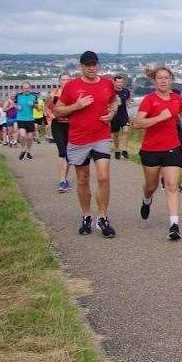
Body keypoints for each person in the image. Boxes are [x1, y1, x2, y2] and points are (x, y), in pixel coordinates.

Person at [58, 51, 119, 238]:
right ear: (81, 66)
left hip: (101, 136)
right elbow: (58, 110)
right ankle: (86, 216)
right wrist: (76, 106)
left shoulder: (107, 83)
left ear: (98, 65)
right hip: (79, 139)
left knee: (103, 177)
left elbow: (114, 100)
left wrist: (112, 113)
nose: (91, 68)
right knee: (83, 179)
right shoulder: (72, 86)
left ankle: (102, 217)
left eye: (94, 64)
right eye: (87, 65)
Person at [132, 66, 182, 241]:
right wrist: (159, 118)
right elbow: (137, 123)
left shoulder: (177, 99)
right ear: (154, 81)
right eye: (160, 78)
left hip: (172, 147)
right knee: (152, 186)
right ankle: (147, 199)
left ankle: (174, 225)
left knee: (172, 186)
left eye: (166, 78)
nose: (163, 81)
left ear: (171, 80)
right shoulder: (149, 100)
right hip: (151, 149)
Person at [46, 73, 73, 192]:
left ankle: (64, 179)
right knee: (62, 151)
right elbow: (46, 107)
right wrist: (51, 115)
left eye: (68, 79)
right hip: (58, 125)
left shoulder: (74, 94)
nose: (66, 81)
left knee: (68, 153)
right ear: (59, 81)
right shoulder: (53, 94)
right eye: (63, 79)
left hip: (71, 125)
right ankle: (62, 180)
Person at [14, 82, 39, 160]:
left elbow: (38, 107)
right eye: (24, 88)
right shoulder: (18, 96)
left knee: (30, 137)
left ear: (30, 88)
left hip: (30, 119)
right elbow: (14, 104)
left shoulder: (34, 96)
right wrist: (17, 107)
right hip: (20, 119)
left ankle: (28, 151)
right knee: (22, 135)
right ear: (22, 88)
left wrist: (33, 105)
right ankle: (23, 150)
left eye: (27, 88)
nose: (26, 89)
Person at [110, 75, 133, 160]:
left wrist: (128, 102)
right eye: (118, 82)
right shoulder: (111, 91)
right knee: (116, 135)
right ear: (114, 82)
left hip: (123, 115)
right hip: (114, 115)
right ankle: (117, 149)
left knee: (126, 131)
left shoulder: (126, 91)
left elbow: (128, 99)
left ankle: (124, 150)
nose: (120, 84)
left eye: (121, 82)